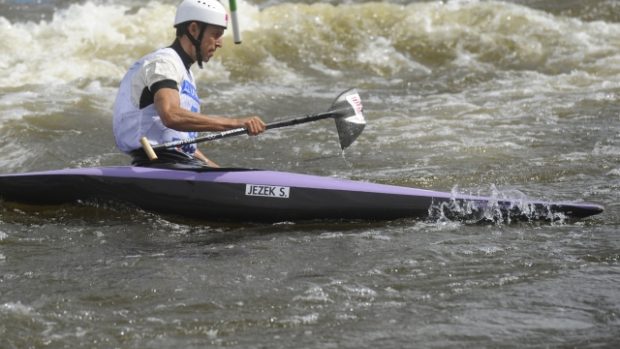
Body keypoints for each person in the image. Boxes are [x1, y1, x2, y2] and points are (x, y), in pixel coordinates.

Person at [113, 0, 265, 168]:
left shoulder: (186, 73)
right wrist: (237, 123)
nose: (220, 42)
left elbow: (181, 144)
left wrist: (215, 169)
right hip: (157, 163)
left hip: (179, 162)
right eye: (216, 33)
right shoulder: (164, 62)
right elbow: (171, 115)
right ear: (193, 29)